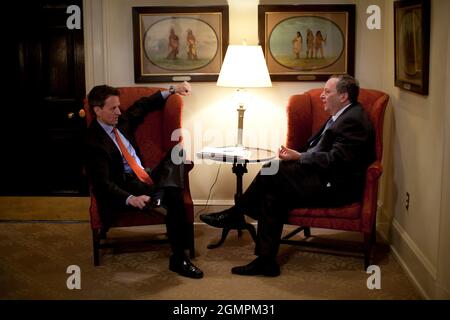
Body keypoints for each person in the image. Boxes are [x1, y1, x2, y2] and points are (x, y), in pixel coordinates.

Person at [200, 75, 375, 277]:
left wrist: (299, 157)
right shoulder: (341, 114)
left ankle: (238, 213)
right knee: (272, 193)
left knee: (272, 169)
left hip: (336, 187)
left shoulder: (353, 119)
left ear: (344, 96)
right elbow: (319, 149)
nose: (322, 96)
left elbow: (336, 160)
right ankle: (266, 261)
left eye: (327, 92)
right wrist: (295, 156)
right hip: (321, 178)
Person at [84, 81, 204, 279]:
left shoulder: (121, 121)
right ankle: (178, 258)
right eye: (112, 108)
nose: (118, 112)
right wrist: (131, 198)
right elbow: (102, 184)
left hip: (148, 175)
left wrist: (173, 90)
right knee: (174, 196)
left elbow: (145, 104)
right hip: (128, 185)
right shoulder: (92, 143)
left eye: (119, 107)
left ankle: (159, 195)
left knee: (178, 151)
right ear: (97, 110)